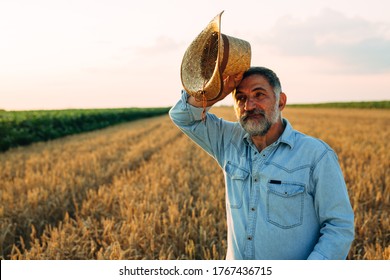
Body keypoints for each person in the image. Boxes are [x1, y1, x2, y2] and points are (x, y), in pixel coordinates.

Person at [169, 66, 355, 260]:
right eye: (240, 98)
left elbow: (339, 226)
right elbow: (182, 116)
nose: (249, 106)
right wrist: (217, 91)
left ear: (281, 101)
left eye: (259, 95)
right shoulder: (227, 141)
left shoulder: (316, 155)